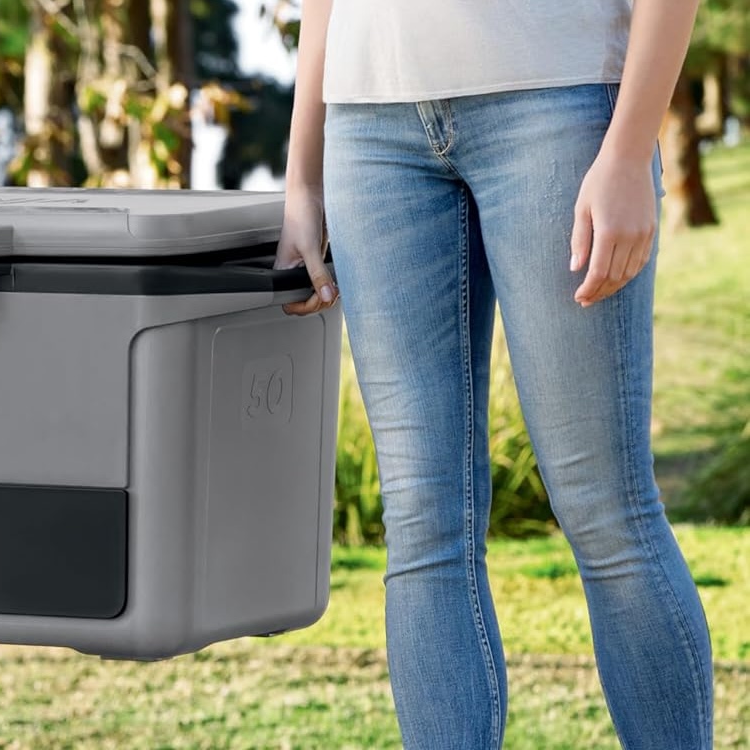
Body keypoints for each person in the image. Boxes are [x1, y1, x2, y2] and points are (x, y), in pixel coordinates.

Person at [275, 1, 714, 747]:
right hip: (368, 122)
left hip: (560, 100)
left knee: (606, 508)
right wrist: (302, 176)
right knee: (422, 524)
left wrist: (629, 147)